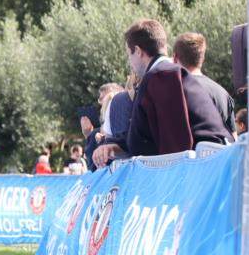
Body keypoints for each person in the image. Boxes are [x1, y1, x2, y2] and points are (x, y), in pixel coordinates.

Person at [93, 19, 231, 168]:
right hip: (211, 165)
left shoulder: (163, 76)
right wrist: (114, 147)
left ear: (138, 51)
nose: (130, 62)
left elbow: (176, 144)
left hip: (205, 170)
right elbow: (146, 134)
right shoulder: (169, 74)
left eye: (129, 54)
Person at [173, 32, 236, 140]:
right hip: (219, 155)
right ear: (202, 58)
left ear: (175, 58)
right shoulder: (222, 93)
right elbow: (234, 139)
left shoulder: (173, 92)